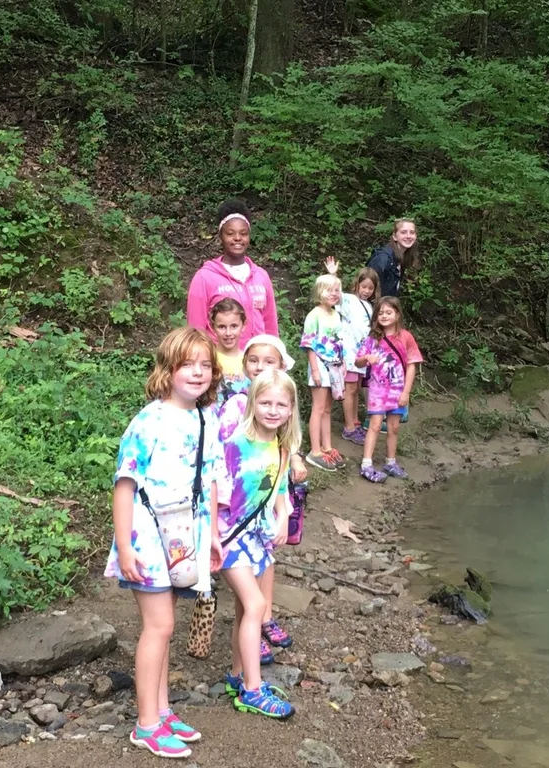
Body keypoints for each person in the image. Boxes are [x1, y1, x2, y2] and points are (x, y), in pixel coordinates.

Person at [104, 327, 226, 759]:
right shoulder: (149, 420)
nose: (197, 372)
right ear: (167, 369)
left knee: (166, 624)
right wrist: (124, 545)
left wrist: (210, 536)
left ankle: (162, 708)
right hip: (147, 535)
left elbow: (210, 478)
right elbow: (124, 484)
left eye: (205, 365)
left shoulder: (204, 418)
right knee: (159, 627)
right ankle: (146, 724)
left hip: (184, 535)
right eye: (187, 364)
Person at [217, 334, 305, 662]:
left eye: (269, 361)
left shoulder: (279, 407)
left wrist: (283, 511)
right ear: (244, 365)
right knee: (248, 596)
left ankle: (261, 623)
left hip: (263, 512)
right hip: (235, 515)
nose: (260, 366)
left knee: (264, 569)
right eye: (253, 360)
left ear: (282, 366)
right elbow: (224, 462)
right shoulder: (239, 407)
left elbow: (283, 450)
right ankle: (254, 636)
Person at [187, 200, 278, 347]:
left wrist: (275, 355)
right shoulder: (204, 278)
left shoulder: (261, 276)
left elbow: (270, 325)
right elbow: (195, 331)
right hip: (220, 363)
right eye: (230, 233)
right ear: (221, 236)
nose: (238, 238)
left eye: (243, 233)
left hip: (257, 363)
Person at [355, 297, 423, 483]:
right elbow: (357, 361)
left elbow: (411, 365)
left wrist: (406, 392)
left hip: (398, 391)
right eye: (380, 313)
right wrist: (367, 357)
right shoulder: (372, 338)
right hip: (378, 390)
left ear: (397, 314)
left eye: (388, 312)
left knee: (393, 427)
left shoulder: (406, 337)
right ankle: (366, 464)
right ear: (375, 316)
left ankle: (390, 462)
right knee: (375, 425)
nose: (384, 316)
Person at [325, 257, 379, 445]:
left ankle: (355, 422)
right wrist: (333, 274)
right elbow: (336, 294)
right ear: (357, 285)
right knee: (349, 389)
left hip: (361, 354)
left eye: (370, 288)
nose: (366, 291)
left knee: (356, 389)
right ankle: (349, 427)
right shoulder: (348, 300)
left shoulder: (371, 306)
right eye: (363, 286)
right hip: (348, 353)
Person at [301, 274, 346, 472]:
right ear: (320, 291)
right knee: (318, 408)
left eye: (337, 290)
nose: (334, 294)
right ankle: (315, 451)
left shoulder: (336, 314)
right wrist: (316, 370)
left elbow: (339, 340)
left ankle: (327, 447)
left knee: (328, 408)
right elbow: (309, 344)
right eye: (329, 290)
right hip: (319, 364)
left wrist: (343, 362)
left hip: (335, 365)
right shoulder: (314, 315)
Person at [209, 297, 248, 407]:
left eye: (234, 326)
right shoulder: (208, 358)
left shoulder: (250, 360)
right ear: (213, 327)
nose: (228, 333)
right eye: (221, 327)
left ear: (244, 325)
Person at [367, 218, 419, 298]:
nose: (408, 236)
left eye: (412, 232)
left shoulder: (400, 258)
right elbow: (367, 289)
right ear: (395, 236)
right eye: (403, 232)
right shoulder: (383, 259)